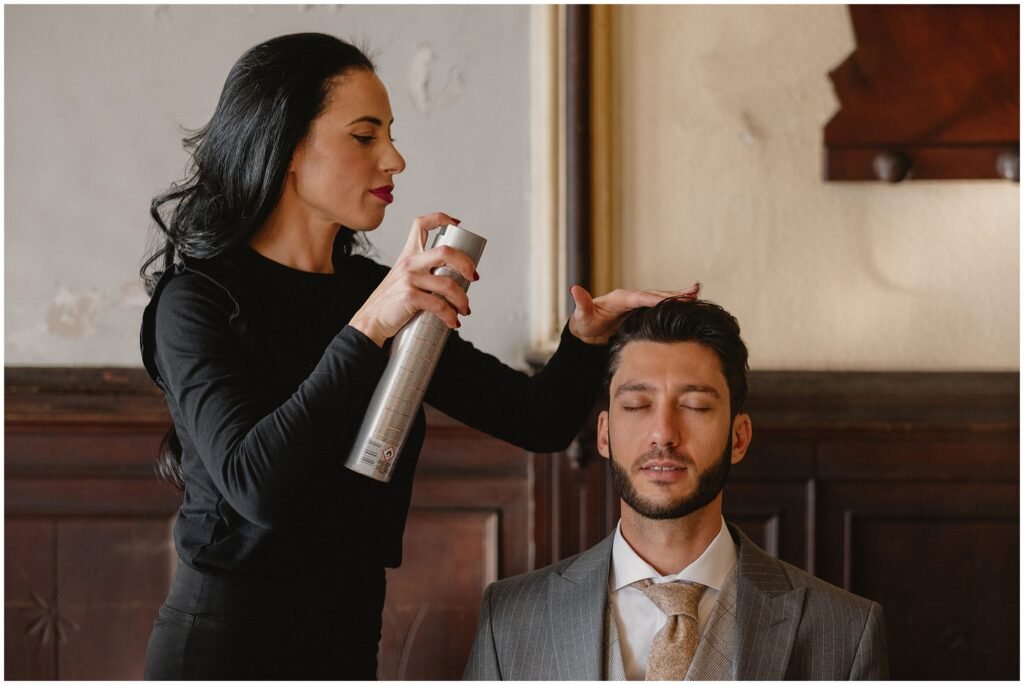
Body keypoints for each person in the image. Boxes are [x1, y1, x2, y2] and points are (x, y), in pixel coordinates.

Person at [138, 32, 697, 680]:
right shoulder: (198, 301)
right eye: (365, 135)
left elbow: (538, 420)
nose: (394, 160)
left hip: (348, 644)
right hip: (225, 650)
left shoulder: (370, 294)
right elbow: (256, 484)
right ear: (287, 144)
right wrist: (373, 320)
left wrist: (588, 335)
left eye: (391, 135)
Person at [463, 299, 890, 680]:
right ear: (605, 434)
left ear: (738, 438)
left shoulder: (845, 630)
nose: (663, 433)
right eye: (636, 405)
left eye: (695, 406)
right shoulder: (510, 618)